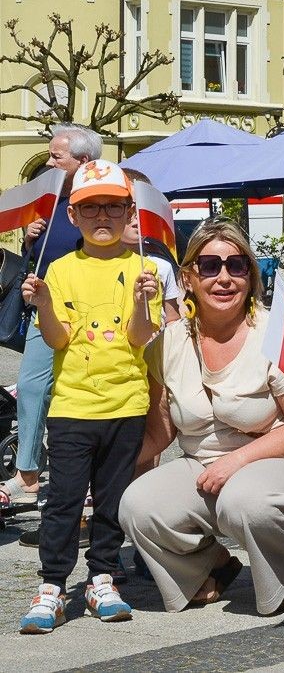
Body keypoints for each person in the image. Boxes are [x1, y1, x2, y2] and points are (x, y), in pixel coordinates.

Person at [119, 218, 284, 616]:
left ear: (251, 274)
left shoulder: (276, 332)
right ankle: (211, 566)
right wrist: (101, 465)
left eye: (237, 265)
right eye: (209, 266)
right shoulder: (168, 343)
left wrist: (237, 461)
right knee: (137, 504)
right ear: (187, 278)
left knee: (246, 499)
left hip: (282, 467)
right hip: (204, 468)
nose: (224, 277)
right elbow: (159, 435)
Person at [18, 160, 161, 634]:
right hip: (73, 406)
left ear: (129, 213)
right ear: (73, 217)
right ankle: (53, 587)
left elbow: (141, 337)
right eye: (91, 208)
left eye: (114, 207)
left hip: (126, 404)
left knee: (111, 500)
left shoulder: (143, 267)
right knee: (61, 501)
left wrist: (143, 302)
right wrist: (42, 304)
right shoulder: (58, 269)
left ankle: (102, 577)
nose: (104, 216)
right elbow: (58, 340)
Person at [1, 124, 95, 507]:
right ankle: (27, 468)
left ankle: (81, 473)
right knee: (33, 384)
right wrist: (29, 236)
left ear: (83, 161)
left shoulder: (102, 199)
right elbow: (36, 255)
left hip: (91, 308)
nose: (50, 160)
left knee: (78, 393)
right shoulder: (50, 196)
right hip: (47, 305)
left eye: (58, 155)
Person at [119, 168, 182, 326]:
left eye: (142, 211)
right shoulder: (98, 265)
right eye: (128, 213)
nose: (136, 221)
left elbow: (172, 317)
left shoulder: (162, 266)